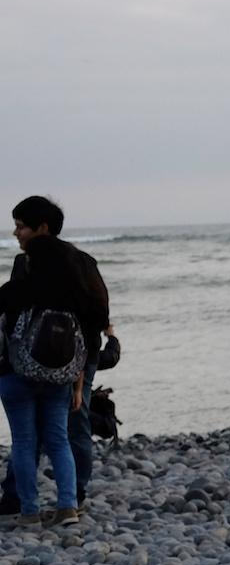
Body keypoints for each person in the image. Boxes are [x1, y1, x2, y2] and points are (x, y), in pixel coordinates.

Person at [1, 195, 111, 515]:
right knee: (66, 431)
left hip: (42, 361)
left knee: (30, 435)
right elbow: (99, 312)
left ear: (42, 227)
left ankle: (25, 502)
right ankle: (71, 500)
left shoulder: (32, 263)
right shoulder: (82, 260)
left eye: (21, 227)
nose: (15, 233)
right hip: (75, 357)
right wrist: (81, 365)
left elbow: (12, 311)